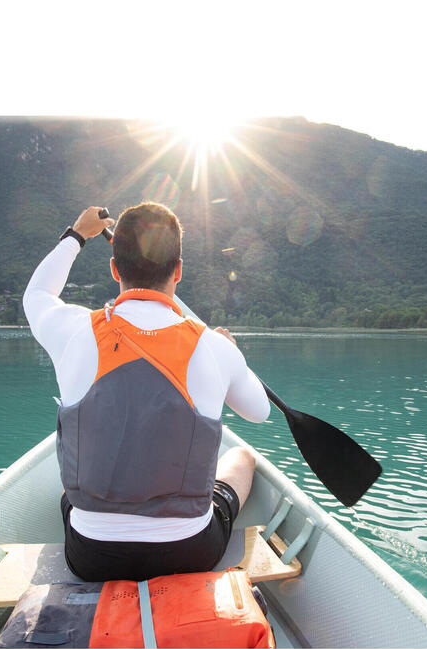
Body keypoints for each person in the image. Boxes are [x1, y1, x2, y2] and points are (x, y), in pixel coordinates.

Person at [23, 202, 270, 582]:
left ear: (115, 269)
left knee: (66, 491)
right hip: (190, 552)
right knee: (242, 457)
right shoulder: (214, 347)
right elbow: (259, 412)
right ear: (179, 270)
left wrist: (76, 235)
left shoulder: (74, 330)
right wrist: (232, 354)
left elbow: (37, 294)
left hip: (90, 557)